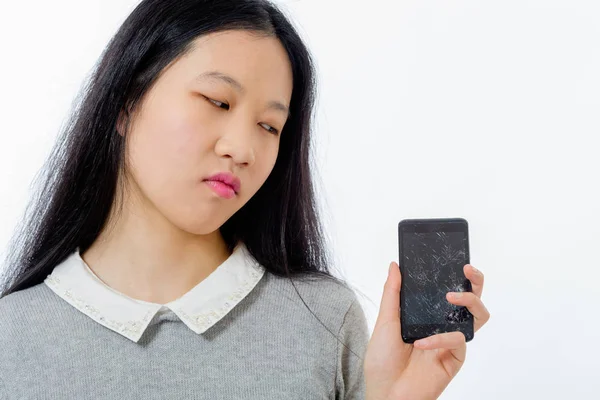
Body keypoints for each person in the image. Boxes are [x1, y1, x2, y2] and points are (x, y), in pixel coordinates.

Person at [0, 0, 490, 399]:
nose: (243, 148)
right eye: (217, 102)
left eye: (269, 126)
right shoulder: (12, 336)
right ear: (126, 101)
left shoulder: (322, 320)